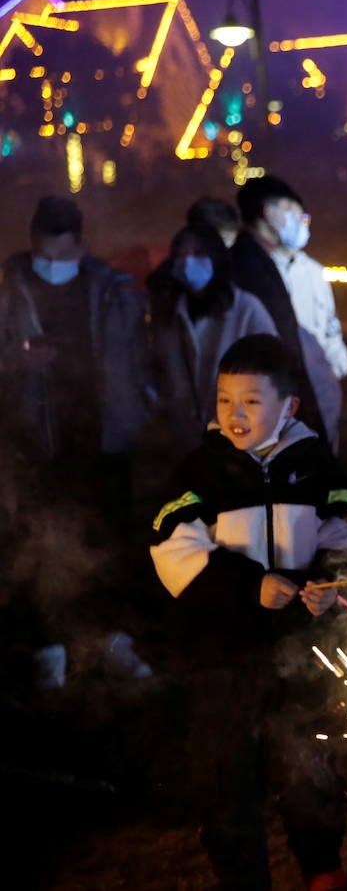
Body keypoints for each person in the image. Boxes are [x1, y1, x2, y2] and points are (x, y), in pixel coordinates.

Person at [149, 333, 347, 891]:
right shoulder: (201, 471)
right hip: (223, 655)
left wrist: (327, 581)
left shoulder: (315, 464)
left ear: (288, 406)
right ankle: (241, 878)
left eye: (251, 401)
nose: (235, 414)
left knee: (310, 762)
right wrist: (248, 586)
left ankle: (323, 867)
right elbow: (170, 549)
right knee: (227, 774)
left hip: (302, 650)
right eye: (225, 400)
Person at [0, 196, 152, 689]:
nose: (51, 268)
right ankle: (49, 648)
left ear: (81, 247)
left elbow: (135, 356)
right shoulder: (10, 290)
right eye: (43, 256)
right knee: (36, 546)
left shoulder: (111, 290)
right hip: (35, 440)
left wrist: (140, 404)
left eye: (60, 257)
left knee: (106, 538)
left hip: (103, 437)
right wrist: (16, 363)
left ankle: (111, 638)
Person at [231, 175, 345, 447]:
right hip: (273, 400)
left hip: (311, 390)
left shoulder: (310, 270)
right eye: (294, 212)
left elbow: (329, 328)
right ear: (269, 212)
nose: (303, 221)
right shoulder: (249, 268)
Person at [147, 223, 277, 456]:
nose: (187, 262)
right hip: (186, 441)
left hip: (242, 442)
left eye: (197, 254)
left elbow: (275, 373)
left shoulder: (247, 310)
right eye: (181, 255)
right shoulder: (169, 313)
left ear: (216, 257)